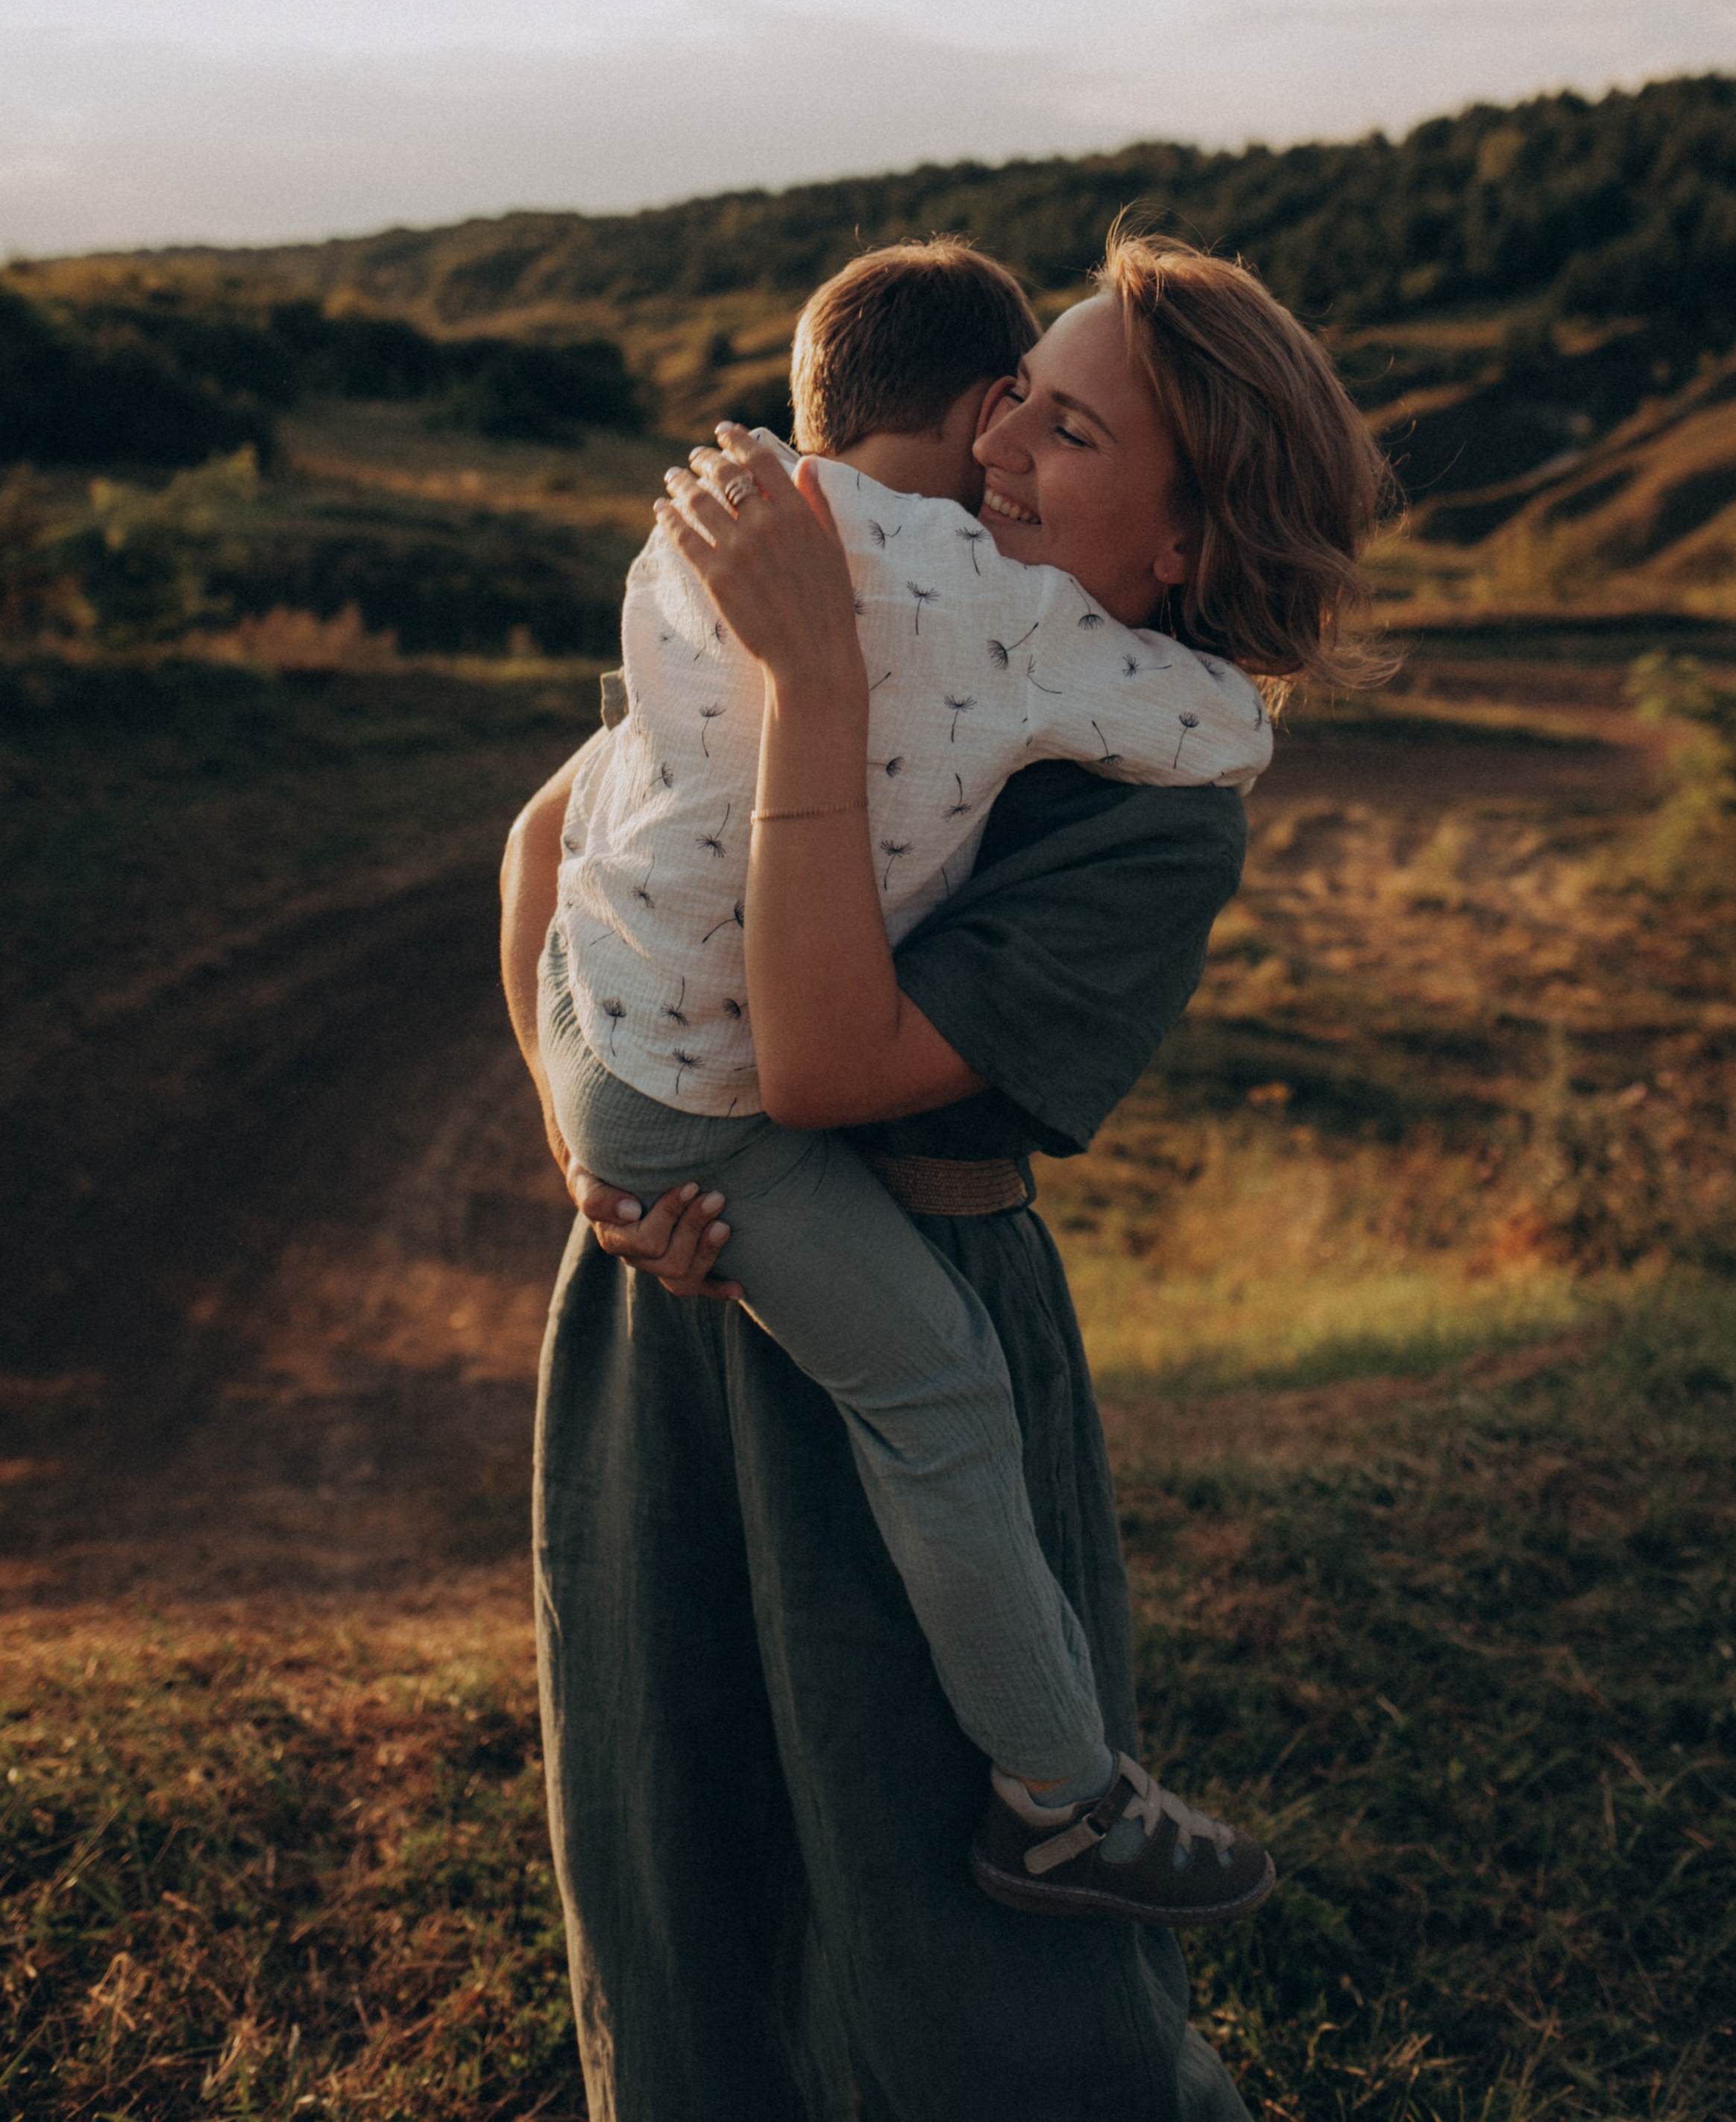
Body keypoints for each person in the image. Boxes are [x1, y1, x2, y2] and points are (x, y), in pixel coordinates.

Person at [501, 230, 1393, 2120]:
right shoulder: (900, 591)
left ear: (1186, 543)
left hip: (921, 1303)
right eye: (1009, 401)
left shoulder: (1136, 808)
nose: (994, 452)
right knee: (686, 1842)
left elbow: (824, 1063)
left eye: (1064, 433)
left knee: (947, 1921)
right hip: (677, 1298)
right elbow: (546, 841)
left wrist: (810, 673)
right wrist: (588, 1153)